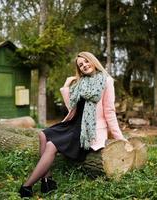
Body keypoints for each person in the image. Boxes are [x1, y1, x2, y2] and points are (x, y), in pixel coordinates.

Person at [19, 51, 127, 198]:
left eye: (86, 62)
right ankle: (47, 180)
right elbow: (72, 107)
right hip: (73, 124)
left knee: (51, 145)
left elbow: (109, 111)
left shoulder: (106, 81)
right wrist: (66, 86)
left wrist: (119, 137)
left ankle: (27, 186)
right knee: (42, 134)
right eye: (81, 65)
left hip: (87, 130)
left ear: (93, 61)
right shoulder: (81, 83)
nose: (84, 66)